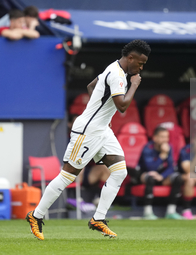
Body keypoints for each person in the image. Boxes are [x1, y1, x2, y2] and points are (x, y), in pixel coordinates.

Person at [26, 39, 151, 240]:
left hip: (101, 130)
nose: (141, 67)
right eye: (141, 63)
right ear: (131, 58)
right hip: (87, 132)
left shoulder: (113, 67)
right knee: (67, 176)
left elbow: (91, 85)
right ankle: (36, 215)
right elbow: (122, 106)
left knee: (120, 172)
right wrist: (134, 85)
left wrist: (102, 115)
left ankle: (98, 219)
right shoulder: (118, 76)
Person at [138, 126, 183, 220]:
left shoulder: (169, 147)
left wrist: (162, 176)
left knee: (178, 178)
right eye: (162, 137)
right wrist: (162, 155)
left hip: (161, 176)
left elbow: (171, 167)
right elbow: (150, 168)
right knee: (150, 177)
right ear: (155, 138)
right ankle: (148, 212)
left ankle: (171, 211)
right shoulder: (148, 148)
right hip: (146, 174)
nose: (165, 140)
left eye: (166, 137)